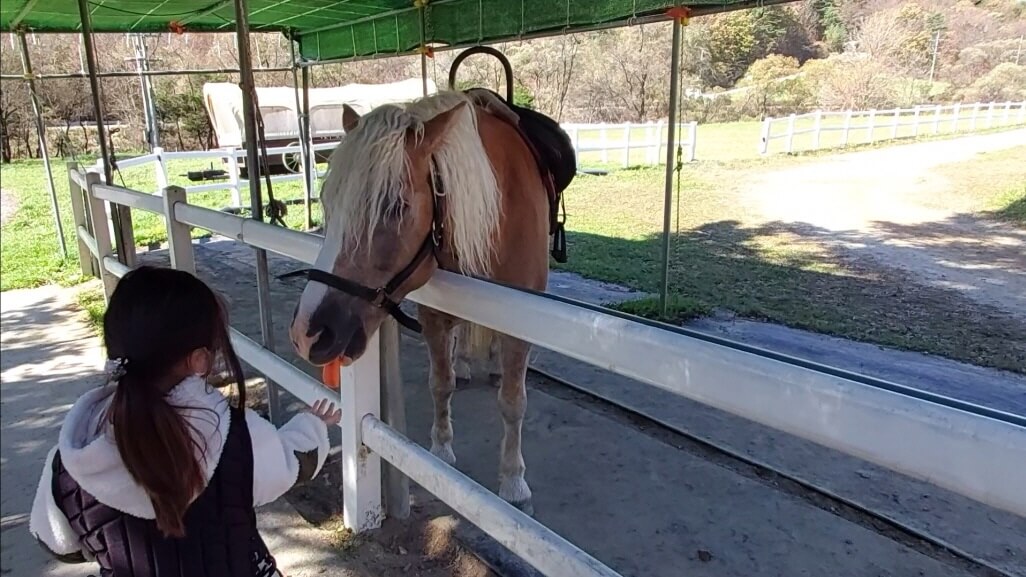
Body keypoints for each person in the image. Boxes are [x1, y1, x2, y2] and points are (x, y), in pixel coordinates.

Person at [29, 266, 340, 577]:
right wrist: (312, 425)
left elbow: (58, 544)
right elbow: (295, 463)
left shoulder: (70, 460)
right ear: (200, 360)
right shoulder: (233, 434)